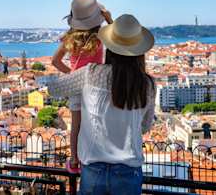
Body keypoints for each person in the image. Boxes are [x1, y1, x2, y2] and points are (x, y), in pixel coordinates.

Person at [48, 14, 156, 195]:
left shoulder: (91, 74)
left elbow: (54, 89)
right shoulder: (147, 84)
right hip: (128, 172)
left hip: (93, 170)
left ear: (110, 48)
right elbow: (144, 126)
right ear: (139, 51)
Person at [51, 0, 112, 173]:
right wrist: (109, 19)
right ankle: (98, 155)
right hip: (96, 83)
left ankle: (74, 160)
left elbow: (55, 61)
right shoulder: (100, 36)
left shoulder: (69, 38)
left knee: (76, 124)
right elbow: (119, 41)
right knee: (97, 122)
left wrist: (73, 74)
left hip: (77, 85)